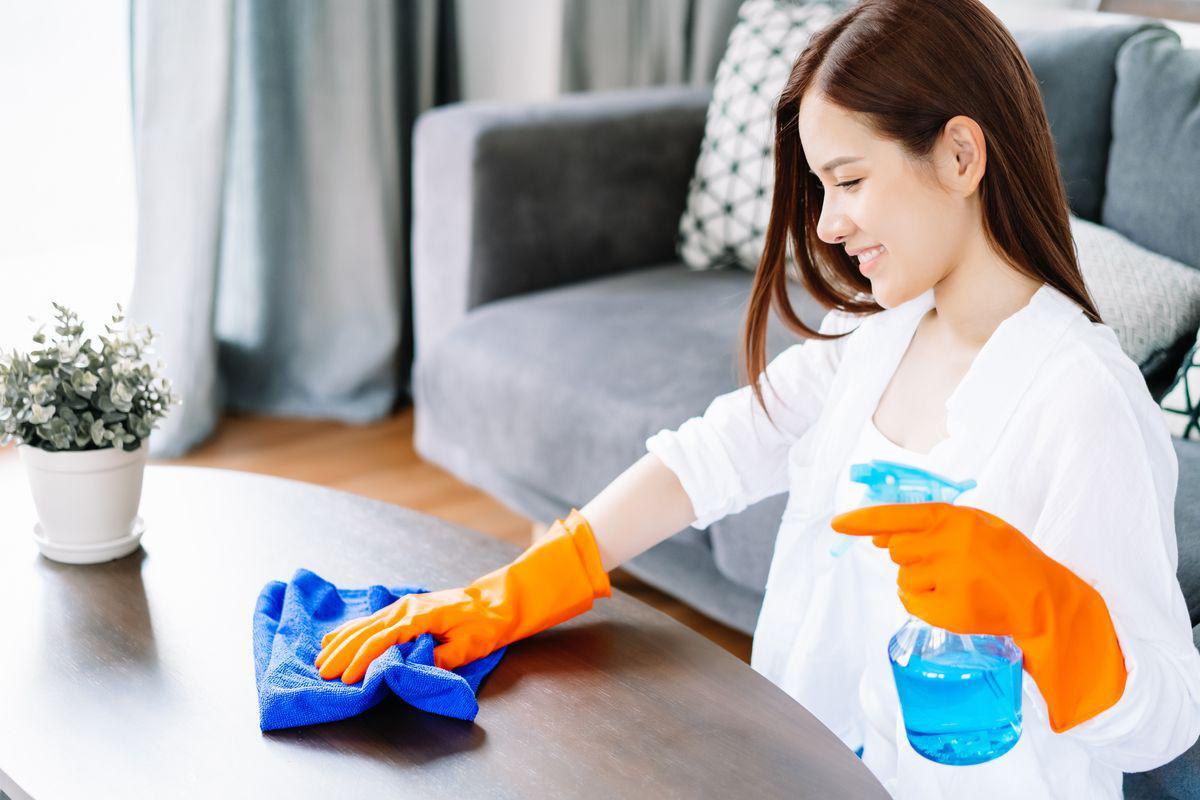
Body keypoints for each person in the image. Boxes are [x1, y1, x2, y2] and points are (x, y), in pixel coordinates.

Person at [314, 0, 1200, 796]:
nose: (824, 223)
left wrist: (1047, 608)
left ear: (961, 154)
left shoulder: (1082, 399)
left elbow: (1167, 721)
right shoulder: (874, 340)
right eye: (821, 188)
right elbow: (714, 455)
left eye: (848, 180)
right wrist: (514, 592)